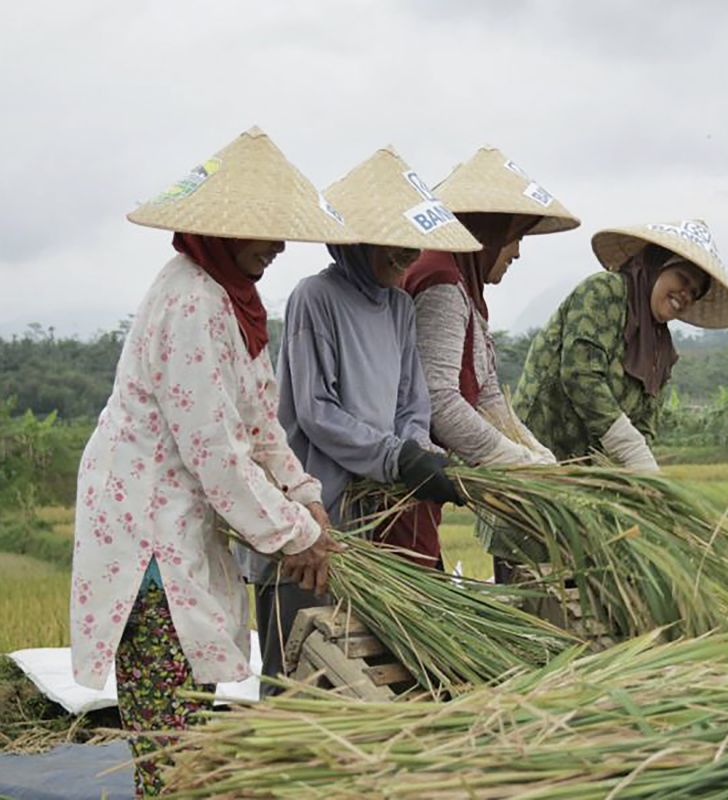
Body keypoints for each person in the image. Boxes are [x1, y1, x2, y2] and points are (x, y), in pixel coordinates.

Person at [69, 127, 352, 796]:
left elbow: (259, 421)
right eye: (264, 232)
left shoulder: (236, 301)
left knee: (190, 716)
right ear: (220, 231)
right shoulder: (192, 301)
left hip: (179, 524)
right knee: (173, 740)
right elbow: (217, 457)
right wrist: (296, 536)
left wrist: (304, 493)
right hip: (147, 537)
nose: (278, 248)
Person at [236, 147, 480, 685]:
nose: (406, 259)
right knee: (295, 670)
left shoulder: (398, 307)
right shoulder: (314, 298)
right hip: (309, 520)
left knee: (351, 669)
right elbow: (317, 412)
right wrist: (395, 458)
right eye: (394, 248)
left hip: (367, 525)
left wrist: (416, 448)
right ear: (359, 241)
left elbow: (411, 401)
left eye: (411, 248)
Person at [400, 147, 579, 581]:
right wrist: (511, 460)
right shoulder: (442, 281)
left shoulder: (464, 284)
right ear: (488, 231)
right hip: (405, 478)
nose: (515, 251)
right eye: (514, 236)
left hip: (422, 479)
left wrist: (537, 457)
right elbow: (440, 399)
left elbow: (489, 393)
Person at [513, 220, 728, 472]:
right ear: (656, 265)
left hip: (586, 473)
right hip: (537, 455)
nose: (686, 293)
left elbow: (646, 420)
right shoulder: (604, 291)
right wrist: (631, 449)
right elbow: (580, 375)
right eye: (683, 278)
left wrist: (638, 471)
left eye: (695, 292)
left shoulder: (661, 349)